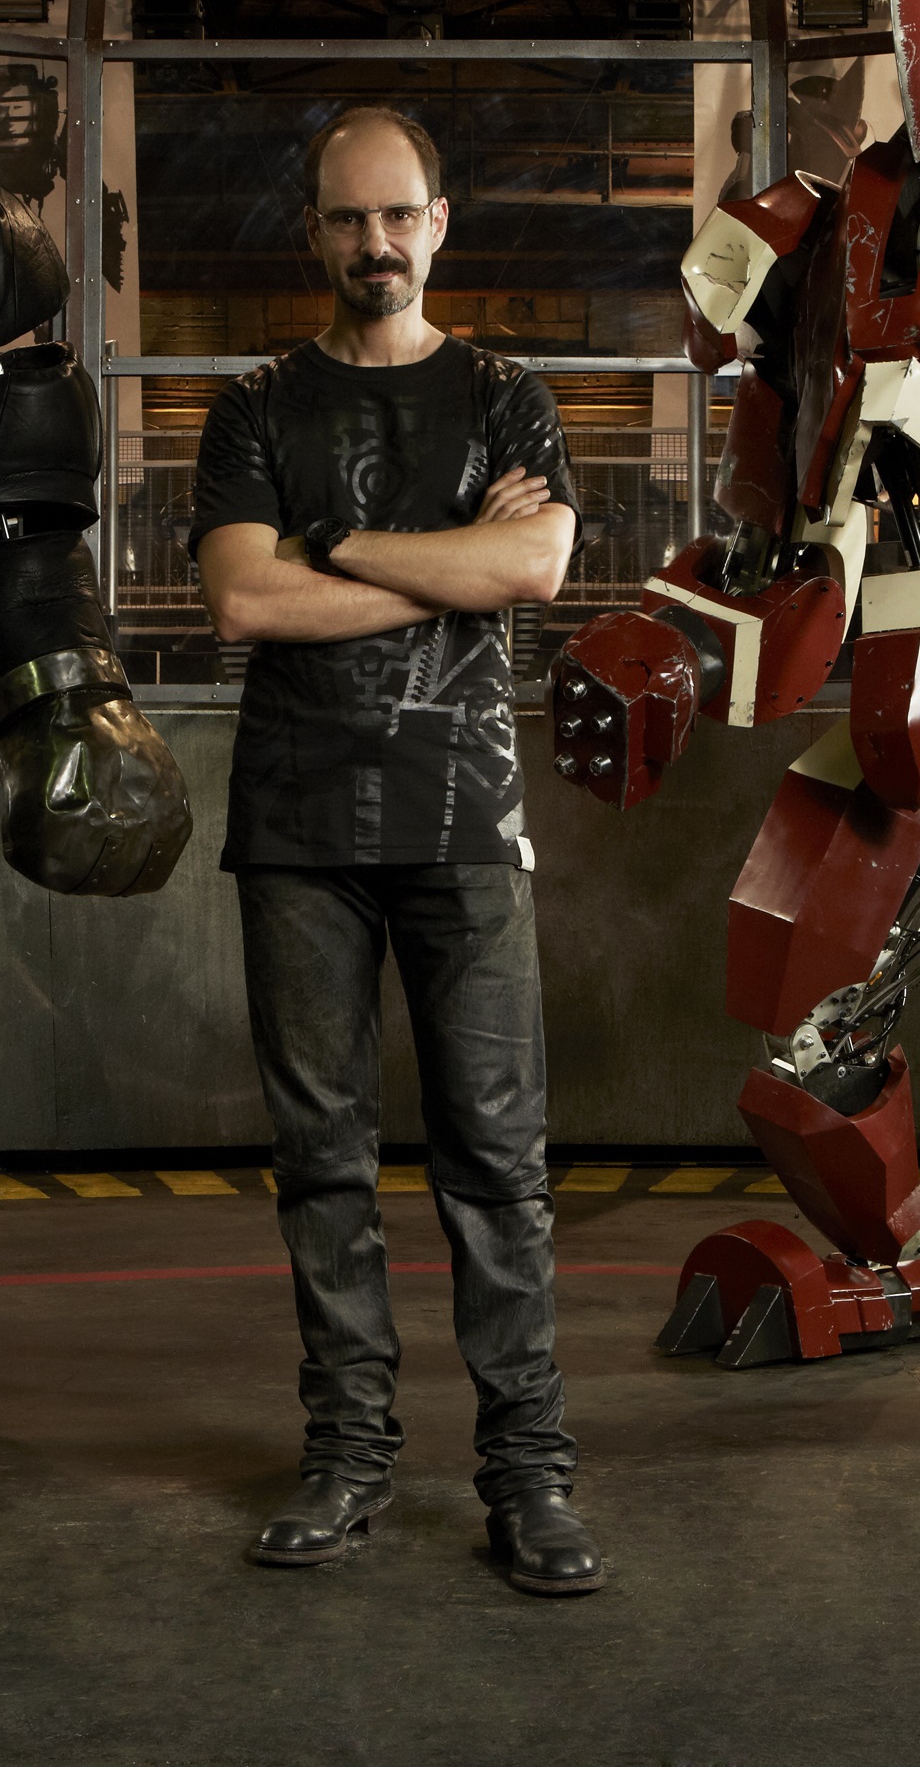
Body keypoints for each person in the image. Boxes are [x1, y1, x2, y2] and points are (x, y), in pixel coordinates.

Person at [190, 105, 600, 1596]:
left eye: (398, 215)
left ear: (438, 224)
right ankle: (348, 1453)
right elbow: (244, 603)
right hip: (297, 825)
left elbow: (534, 564)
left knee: (499, 1159)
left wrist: (338, 544)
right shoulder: (251, 407)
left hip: (464, 820)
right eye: (349, 218)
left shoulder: (505, 395)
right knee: (324, 1163)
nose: (376, 243)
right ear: (316, 232)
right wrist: (445, 567)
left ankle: (528, 1475)